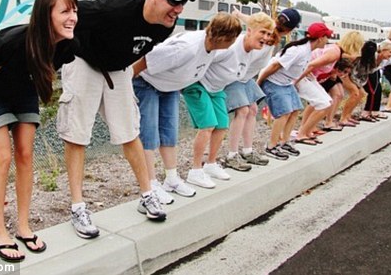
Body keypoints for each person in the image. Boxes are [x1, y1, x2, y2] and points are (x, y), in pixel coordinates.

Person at [56, 0, 195, 239]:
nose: (178, 9)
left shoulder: (165, 27)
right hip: (84, 62)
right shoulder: (111, 8)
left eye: (182, 3)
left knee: (130, 132)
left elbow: (141, 54)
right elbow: (66, 14)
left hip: (118, 70)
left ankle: (147, 194)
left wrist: (128, 73)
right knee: (77, 135)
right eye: (173, 2)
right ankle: (78, 207)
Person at [0, 0, 78, 262]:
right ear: (44, 16)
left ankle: (24, 227)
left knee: (25, 155)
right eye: (65, 12)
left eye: (74, 11)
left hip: (24, 94)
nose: (72, 18)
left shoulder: (69, 45)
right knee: (3, 156)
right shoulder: (11, 40)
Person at [132, 13, 242, 199]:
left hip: (170, 87)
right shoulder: (187, 47)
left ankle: (172, 179)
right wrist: (125, 89)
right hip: (147, 83)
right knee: (148, 134)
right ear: (224, 38)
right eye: (233, 39)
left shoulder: (213, 48)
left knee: (169, 133)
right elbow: (143, 62)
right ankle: (151, 184)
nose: (234, 43)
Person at [257, 22, 332, 160]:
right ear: (321, 38)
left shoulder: (308, 50)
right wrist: (260, 82)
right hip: (274, 81)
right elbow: (274, 66)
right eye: (326, 37)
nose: (328, 41)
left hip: (285, 82)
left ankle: (284, 142)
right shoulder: (298, 50)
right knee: (283, 113)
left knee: (295, 110)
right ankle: (271, 146)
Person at [221, 12, 276, 169]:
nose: (266, 37)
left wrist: (239, 15)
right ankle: (232, 155)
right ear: (250, 30)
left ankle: (247, 150)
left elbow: (253, 23)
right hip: (232, 79)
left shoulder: (259, 45)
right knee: (243, 110)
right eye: (263, 33)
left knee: (253, 109)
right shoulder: (236, 45)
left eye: (269, 34)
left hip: (245, 78)